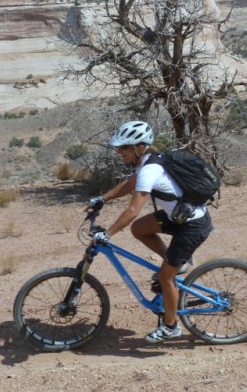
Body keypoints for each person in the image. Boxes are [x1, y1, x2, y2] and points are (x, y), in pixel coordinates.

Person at [85, 121, 213, 343]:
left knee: (166, 276)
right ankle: (176, 263)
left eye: (124, 147)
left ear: (139, 147)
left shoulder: (150, 169)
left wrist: (108, 233)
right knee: (139, 229)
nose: (119, 152)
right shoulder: (146, 163)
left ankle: (171, 326)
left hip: (192, 225)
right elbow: (128, 185)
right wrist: (102, 198)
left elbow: (133, 209)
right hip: (179, 216)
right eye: (119, 147)